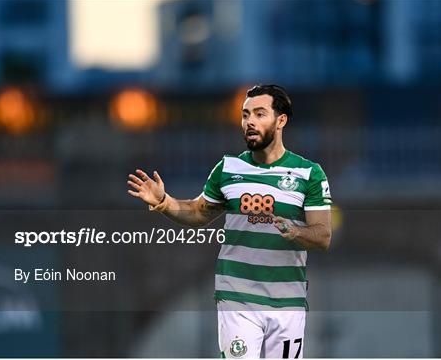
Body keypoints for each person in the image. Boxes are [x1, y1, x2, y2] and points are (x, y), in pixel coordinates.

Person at [127, 84, 332, 358]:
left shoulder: (309, 174)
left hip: (287, 302)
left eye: (260, 114)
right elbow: (199, 212)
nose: (249, 122)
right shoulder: (228, 168)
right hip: (238, 298)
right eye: (246, 115)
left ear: (281, 120)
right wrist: (165, 202)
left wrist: (293, 231)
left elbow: (323, 236)